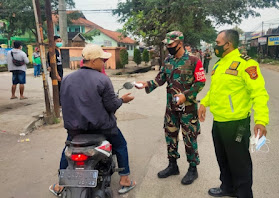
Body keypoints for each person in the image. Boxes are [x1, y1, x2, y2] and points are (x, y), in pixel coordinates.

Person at [49, 44, 136, 196]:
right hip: (102, 128)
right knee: (121, 145)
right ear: (94, 61)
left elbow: (64, 103)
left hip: (75, 129)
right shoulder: (102, 79)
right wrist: (122, 100)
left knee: (68, 149)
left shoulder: (67, 79)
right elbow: (111, 105)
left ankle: (59, 184)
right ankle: (125, 180)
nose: (104, 63)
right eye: (102, 60)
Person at [198, 29, 269, 198]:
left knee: (240, 163)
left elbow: (259, 93)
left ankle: (244, 194)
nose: (215, 46)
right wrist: (204, 103)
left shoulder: (246, 64)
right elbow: (215, 90)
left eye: (218, 43)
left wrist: (261, 120)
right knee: (223, 159)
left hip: (237, 123)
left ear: (228, 44)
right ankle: (227, 187)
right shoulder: (219, 64)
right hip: (219, 122)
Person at [136, 31, 206, 185]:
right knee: (170, 136)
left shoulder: (194, 60)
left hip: (188, 109)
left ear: (179, 43)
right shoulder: (168, 60)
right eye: (166, 44)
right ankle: (172, 165)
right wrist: (147, 84)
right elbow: (160, 79)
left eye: (171, 44)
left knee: (189, 137)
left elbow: (200, 82)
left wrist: (186, 95)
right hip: (171, 108)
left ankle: (193, 169)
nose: (168, 47)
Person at [47, 36, 64, 105]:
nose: (59, 43)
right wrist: (56, 74)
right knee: (57, 88)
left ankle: (60, 102)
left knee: (60, 87)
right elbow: (52, 64)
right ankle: (58, 103)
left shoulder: (59, 51)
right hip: (55, 72)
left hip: (60, 71)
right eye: (57, 41)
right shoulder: (52, 52)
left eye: (60, 41)